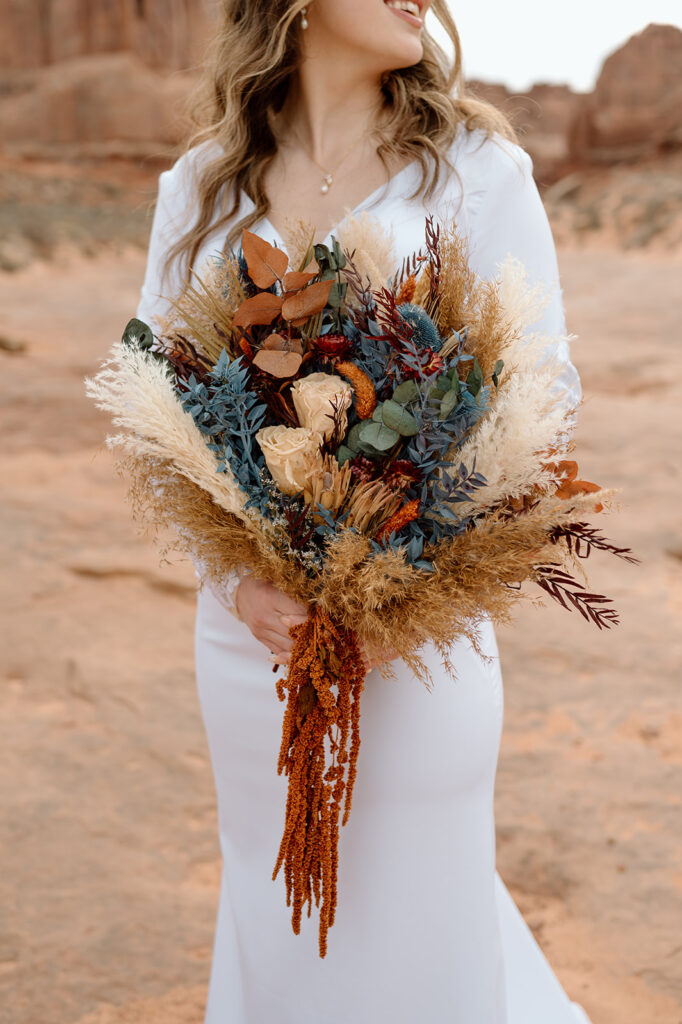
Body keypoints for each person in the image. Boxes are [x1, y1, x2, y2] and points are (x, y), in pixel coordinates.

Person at [136, 1, 590, 1020]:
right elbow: (158, 398)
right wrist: (239, 577)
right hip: (252, 641)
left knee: (419, 920)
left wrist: (398, 581)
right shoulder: (202, 187)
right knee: (281, 924)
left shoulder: (475, 169)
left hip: (415, 645)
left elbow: (539, 397)